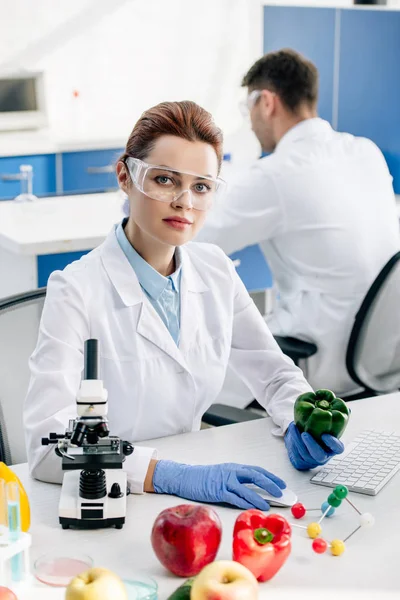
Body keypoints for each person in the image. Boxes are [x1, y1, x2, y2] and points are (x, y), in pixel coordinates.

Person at [24, 101, 344, 511]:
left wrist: (299, 418)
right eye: (164, 179)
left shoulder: (216, 271)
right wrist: (172, 475)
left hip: (192, 496)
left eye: (201, 186)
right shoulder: (75, 292)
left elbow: (275, 375)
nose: (184, 202)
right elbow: (46, 446)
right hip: (108, 498)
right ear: (126, 176)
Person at [197, 49, 400, 398]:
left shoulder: (276, 174)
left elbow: (194, 236)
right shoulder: (366, 151)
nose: (250, 122)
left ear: (267, 103)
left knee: (193, 370)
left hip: (316, 365)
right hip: (382, 360)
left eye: (248, 109)